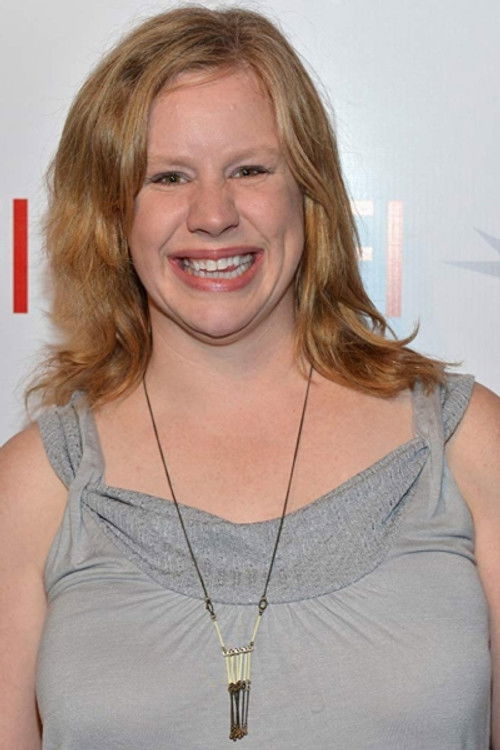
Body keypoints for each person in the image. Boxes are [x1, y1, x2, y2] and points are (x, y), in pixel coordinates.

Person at [0, 5, 498, 748]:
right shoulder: (35, 487)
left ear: (309, 190)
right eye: (167, 176)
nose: (213, 214)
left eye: (250, 170)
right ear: (110, 213)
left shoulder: (468, 447)